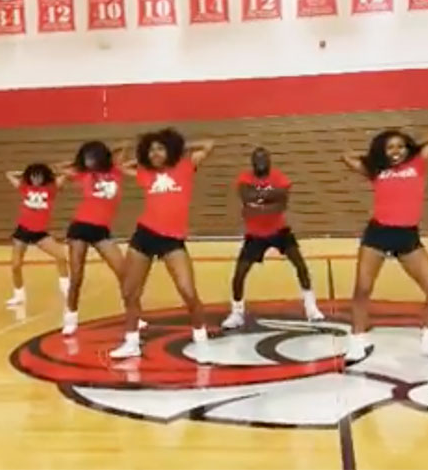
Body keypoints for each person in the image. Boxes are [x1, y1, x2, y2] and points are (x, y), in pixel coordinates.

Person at [341, 129, 428, 362]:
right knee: (362, 289)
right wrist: (372, 157)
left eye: (401, 146)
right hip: (378, 235)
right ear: (383, 151)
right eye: (390, 147)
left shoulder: (418, 164)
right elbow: (347, 157)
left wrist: (416, 146)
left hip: (407, 237)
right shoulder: (377, 170)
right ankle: (357, 341)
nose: (396, 151)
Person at [108, 128, 215, 360]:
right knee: (129, 291)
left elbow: (208, 144)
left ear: (170, 150)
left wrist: (178, 149)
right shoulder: (145, 172)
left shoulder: (185, 166)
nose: (155, 153)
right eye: (152, 149)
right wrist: (141, 157)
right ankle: (131, 341)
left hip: (172, 240)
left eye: (160, 148)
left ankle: (200, 336)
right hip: (145, 235)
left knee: (187, 291)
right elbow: (118, 164)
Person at [221, 147, 324, 329]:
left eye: (263, 159)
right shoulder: (245, 178)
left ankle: (311, 308)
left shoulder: (279, 177)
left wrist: (258, 201)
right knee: (239, 274)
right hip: (255, 234)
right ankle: (237, 313)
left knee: (300, 265)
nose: (260, 162)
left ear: (269, 161)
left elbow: (280, 204)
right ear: (252, 162)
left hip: (279, 230)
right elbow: (246, 198)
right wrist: (269, 197)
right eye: (257, 159)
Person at [58, 141, 147, 335]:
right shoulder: (83, 174)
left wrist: (109, 154)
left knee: (124, 273)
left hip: (102, 231)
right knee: (77, 276)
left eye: (92, 158)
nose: (89, 162)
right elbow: (61, 168)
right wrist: (78, 163)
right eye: (86, 158)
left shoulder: (116, 171)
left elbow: (123, 147)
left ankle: (135, 316)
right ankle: (70, 317)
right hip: (80, 228)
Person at [4, 163, 69, 307]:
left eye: (39, 176)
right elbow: (8, 174)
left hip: (40, 232)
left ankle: (66, 289)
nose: (36, 179)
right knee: (16, 265)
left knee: (61, 257)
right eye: (33, 176)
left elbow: (65, 174)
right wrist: (23, 172)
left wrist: (52, 172)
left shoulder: (51, 189)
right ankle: (18, 295)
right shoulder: (25, 187)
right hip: (23, 231)